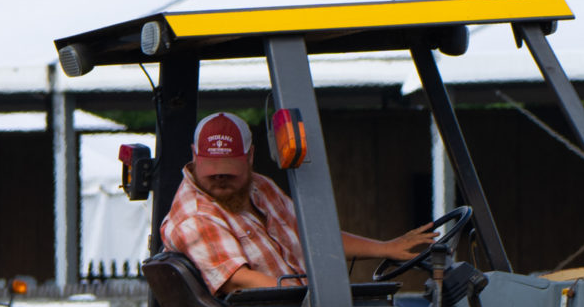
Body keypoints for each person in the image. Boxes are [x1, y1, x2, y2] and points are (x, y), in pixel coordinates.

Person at [161, 111, 436, 294]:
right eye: (212, 169)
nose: (220, 177)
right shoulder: (194, 218)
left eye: (228, 168)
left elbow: (310, 237)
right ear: (195, 157)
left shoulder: (260, 187)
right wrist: (316, 298)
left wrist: (386, 248)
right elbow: (240, 281)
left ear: (250, 157)